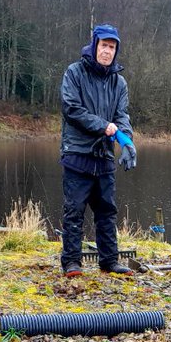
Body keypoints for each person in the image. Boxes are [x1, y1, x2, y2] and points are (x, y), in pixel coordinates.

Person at [59, 23, 137, 278]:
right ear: (95, 46)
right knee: (74, 211)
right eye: (104, 45)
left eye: (112, 47)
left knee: (107, 211)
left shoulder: (119, 82)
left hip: (103, 157)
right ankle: (72, 262)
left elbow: (121, 117)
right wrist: (104, 127)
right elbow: (72, 110)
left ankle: (109, 261)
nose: (107, 51)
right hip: (77, 154)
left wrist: (127, 143)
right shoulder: (74, 73)